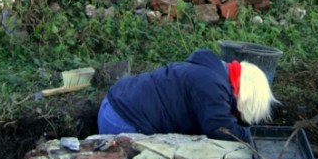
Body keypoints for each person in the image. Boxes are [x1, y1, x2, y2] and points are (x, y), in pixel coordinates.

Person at [97, 47, 277, 142]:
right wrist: (253, 138)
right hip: (123, 122)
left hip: (113, 103)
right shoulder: (212, 86)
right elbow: (220, 129)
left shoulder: (213, 71)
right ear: (245, 98)